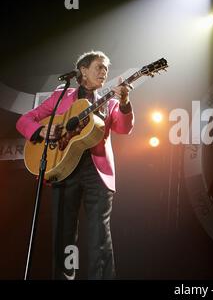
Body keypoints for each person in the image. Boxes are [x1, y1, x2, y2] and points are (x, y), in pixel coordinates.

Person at [16, 51, 134, 280]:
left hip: (97, 173)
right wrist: (41, 131)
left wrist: (125, 103)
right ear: (83, 70)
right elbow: (24, 121)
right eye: (99, 67)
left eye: (106, 69)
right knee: (64, 235)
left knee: (99, 235)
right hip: (63, 169)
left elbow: (124, 128)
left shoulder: (109, 101)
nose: (104, 72)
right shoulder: (61, 96)